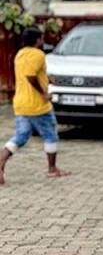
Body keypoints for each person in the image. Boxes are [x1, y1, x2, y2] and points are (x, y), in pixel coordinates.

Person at [0, 27, 69, 185]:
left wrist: (47, 79)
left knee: (21, 136)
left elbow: (31, 72)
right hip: (38, 105)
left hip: (21, 103)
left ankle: (1, 161)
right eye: (41, 38)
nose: (42, 41)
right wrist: (44, 93)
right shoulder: (38, 54)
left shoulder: (20, 54)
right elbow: (30, 76)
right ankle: (52, 169)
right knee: (50, 134)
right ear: (37, 40)